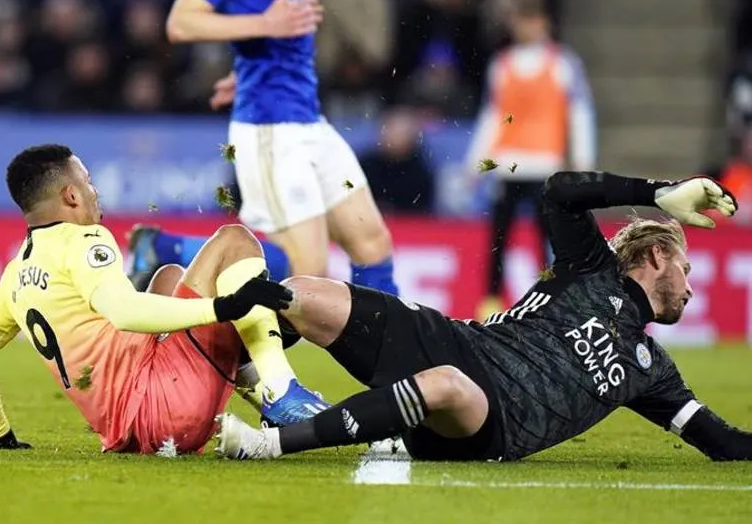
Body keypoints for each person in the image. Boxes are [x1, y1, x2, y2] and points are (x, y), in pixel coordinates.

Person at [215, 171, 752, 462]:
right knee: (304, 293)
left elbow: (724, 444)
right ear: (656, 257)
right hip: (455, 341)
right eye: (685, 267)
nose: (691, 285)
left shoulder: (653, 371)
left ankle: (269, 444)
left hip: (490, 421)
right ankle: (250, 381)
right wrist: (658, 192)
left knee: (448, 385)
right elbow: (559, 190)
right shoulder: (590, 268)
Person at [0, 144, 326, 454]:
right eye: (88, 181)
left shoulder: (15, 273)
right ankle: (281, 391)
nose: (94, 191)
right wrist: (223, 307)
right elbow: (123, 312)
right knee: (234, 240)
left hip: (127, 433)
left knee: (169, 277)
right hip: (169, 410)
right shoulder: (85, 241)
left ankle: (267, 400)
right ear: (71, 194)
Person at [144, 0, 398, 301]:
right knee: (306, 273)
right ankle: (167, 249)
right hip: (270, 127)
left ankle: (394, 367)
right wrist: (266, 24)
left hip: (307, 117)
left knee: (372, 242)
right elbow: (181, 22)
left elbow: (260, 21)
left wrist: (246, 69)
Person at [464, 0, 596, 319]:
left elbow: (579, 112)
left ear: (544, 23)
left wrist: (583, 160)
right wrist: (475, 163)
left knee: (546, 241)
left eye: (532, 21)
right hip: (508, 164)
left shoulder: (563, 63)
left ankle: (546, 303)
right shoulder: (503, 64)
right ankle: (490, 304)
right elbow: (493, 116)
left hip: (545, 165)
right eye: (522, 21)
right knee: (498, 240)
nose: (527, 28)